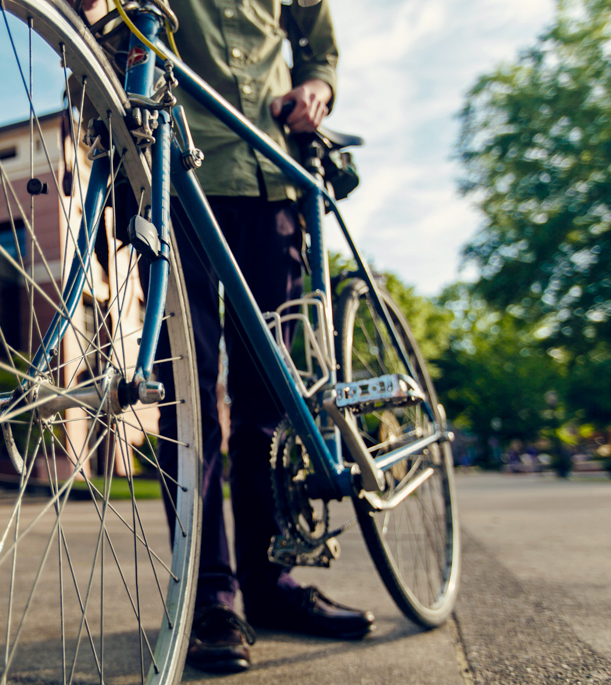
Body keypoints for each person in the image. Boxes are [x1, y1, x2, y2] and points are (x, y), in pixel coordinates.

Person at [82, 0, 376, 673]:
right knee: (185, 394)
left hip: (269, 172)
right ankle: (211, 588)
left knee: (266, 396)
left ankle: (268, 580)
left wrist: (317, 88)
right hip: (171, 169)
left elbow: (316, 40)